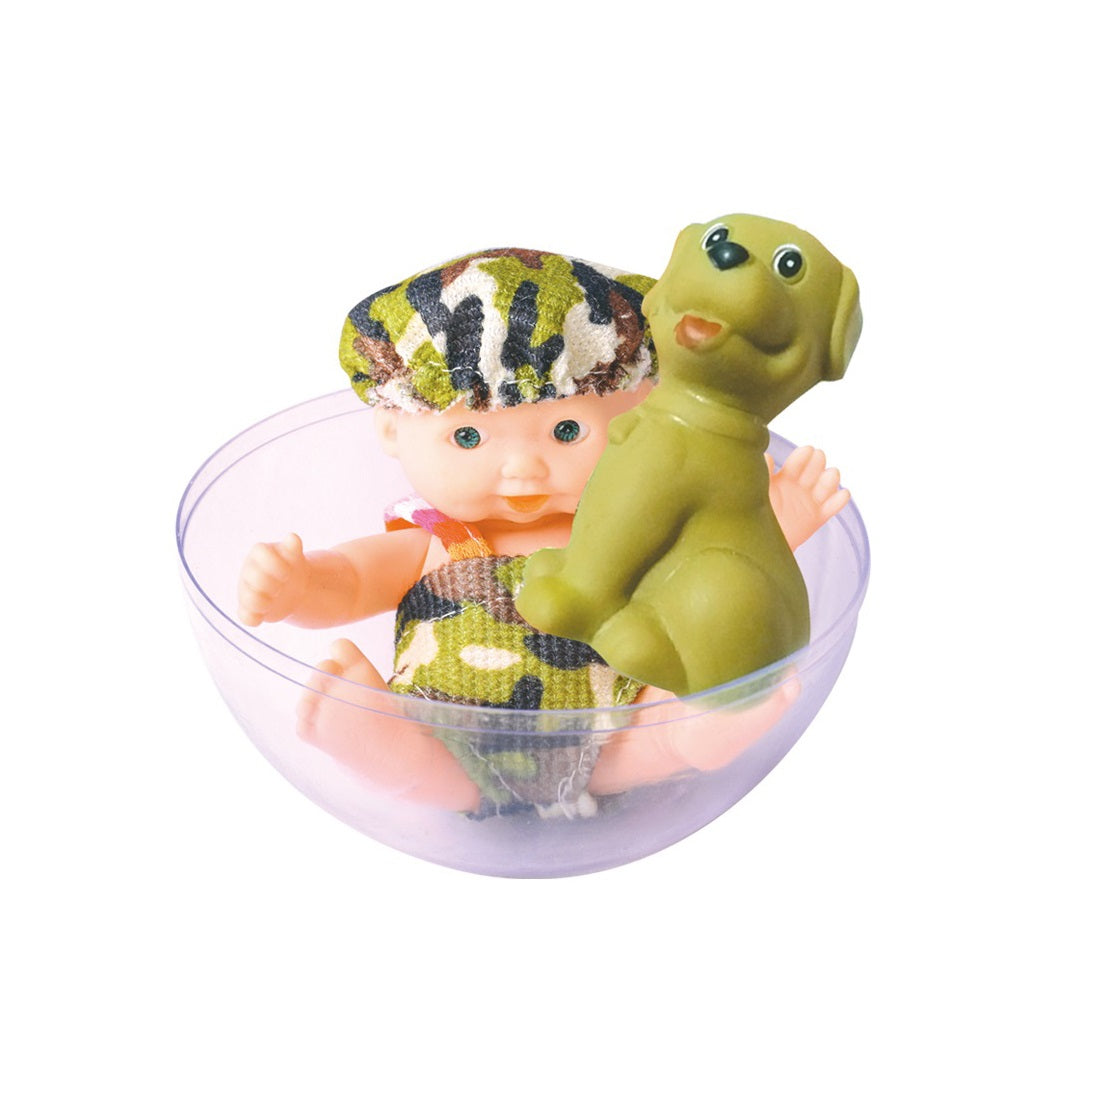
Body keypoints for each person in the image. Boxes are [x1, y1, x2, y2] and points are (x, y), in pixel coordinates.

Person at [238, 248, 848, 817]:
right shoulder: (435, 540)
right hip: (453, 732)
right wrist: (299, 586)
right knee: (430, 764)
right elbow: (350, 581)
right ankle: (381, 742)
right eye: (468, 437)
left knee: (653, 727)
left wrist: (768, 524)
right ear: (393, 428)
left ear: (639, 412)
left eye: (566, 432)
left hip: (614, 732)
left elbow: (710, 567)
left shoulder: (633, 526)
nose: (523, 469)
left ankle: (695, 726)